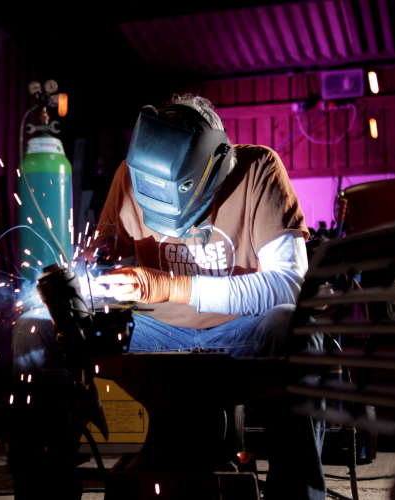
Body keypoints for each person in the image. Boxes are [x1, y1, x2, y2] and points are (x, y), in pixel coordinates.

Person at [91, 94, 326, 500]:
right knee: (38, 329)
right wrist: (92, 288)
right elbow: (105, 271)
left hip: (239, 337)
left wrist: (171, 286)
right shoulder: (130, 175)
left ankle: (297, 494)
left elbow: (289, 285)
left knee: (293, 325)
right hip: (154, 335)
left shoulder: (258, 170)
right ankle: (46, 490)